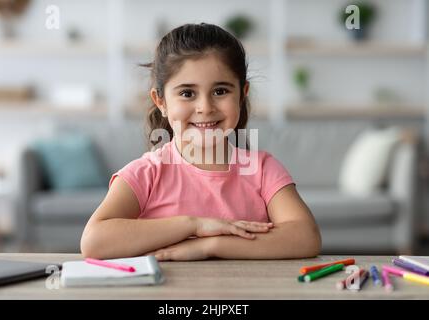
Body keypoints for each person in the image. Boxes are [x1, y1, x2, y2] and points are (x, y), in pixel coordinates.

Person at [81, 23, 321, 260]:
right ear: (161, 102)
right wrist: (193, 225)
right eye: (187, 93)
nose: (205, 108)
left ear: (242, 94)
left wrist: (212, 245)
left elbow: (305, 236)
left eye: (220, 91)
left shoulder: (263, 170)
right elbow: (94, 241)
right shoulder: (145, 174)